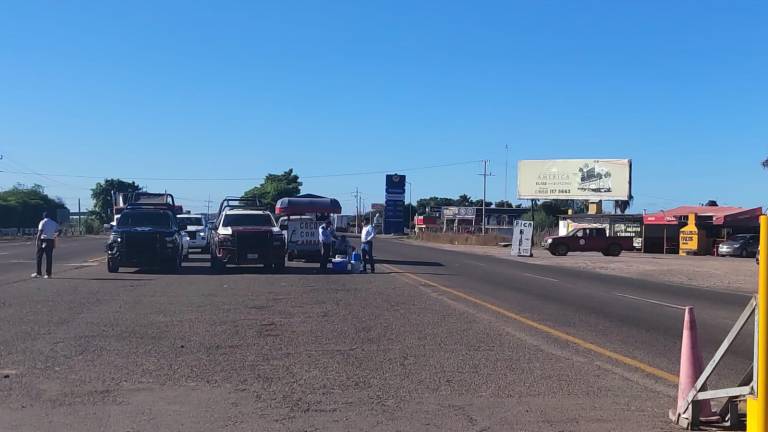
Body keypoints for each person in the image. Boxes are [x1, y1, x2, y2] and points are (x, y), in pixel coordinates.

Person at [31, 212, 60, 279]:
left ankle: (38, 273)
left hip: (43, 240)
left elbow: (40, 231)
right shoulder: (54, 223)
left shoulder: (42, 222)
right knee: (49, 257)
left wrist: (37, 240)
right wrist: (55, 235)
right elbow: (59, 230)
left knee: (39, 256)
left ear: (44, 216)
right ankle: (48, 274)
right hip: (51, 240)